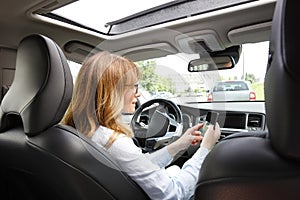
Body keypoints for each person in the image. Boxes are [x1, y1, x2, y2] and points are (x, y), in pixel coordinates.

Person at [61, 51, 221, 200]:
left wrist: (178, 145)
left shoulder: (74, 132)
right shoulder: (114, 142)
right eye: (133, 86)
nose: (138, 94)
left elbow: (135, 164)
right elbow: (173, 193)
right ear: (112, 91)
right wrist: (205, 150)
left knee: (175, 170)